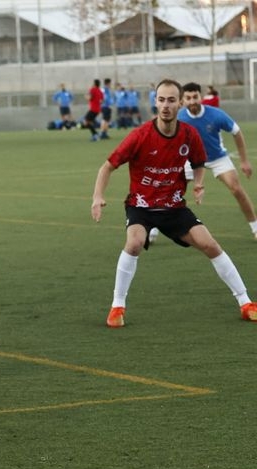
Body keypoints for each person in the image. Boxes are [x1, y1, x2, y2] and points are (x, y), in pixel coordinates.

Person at [90, 79, 257, 328]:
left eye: (171, 100)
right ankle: (117, 306)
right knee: (134, 243)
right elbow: (107, 167)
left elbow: (199, 162)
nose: (166, 105)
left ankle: (246, 303)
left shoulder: (189, 134)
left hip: (174, 207)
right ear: (155, 103)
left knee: (210, 244)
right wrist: (97, 196)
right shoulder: (140, 135)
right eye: (161, 100)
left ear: (179, 103)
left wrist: (198, 183)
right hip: (141, 206)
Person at [178, 81, 256, 237]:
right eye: (188, 98)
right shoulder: (179, 117)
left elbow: (236, 132)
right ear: (182, 100)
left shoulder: (216, 114)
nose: (192, 101)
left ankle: (255, 227)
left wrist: (244, 161)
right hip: (191, 160)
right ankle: (153, 229)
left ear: (201, 97)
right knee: (170, 191)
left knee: (236, 189)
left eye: (195, 97)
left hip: (217, 157)